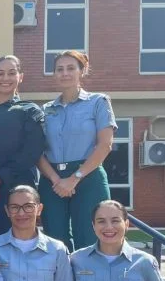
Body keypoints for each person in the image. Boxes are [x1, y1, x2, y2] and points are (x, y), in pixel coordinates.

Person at [38, 50, 115, 252]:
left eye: (71, 68)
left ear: (82, 70)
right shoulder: (45, 110)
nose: (65, 73)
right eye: (59, 69)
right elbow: (37, 151)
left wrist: (75, 178)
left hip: (87, 175)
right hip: (52, 178)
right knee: (55, 239)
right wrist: (56, 180)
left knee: (89, 236)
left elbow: (104, 145)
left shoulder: (98, 102)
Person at [0, 56, 47, 245]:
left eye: (12, 73)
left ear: (21, 77)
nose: (6, 78)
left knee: (18, 243)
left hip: (18, 190)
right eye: (0, 73)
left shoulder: (30, 111)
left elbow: (32, 150)